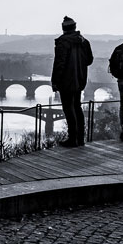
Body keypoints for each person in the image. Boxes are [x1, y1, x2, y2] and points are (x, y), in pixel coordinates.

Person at [51, 16, 94, 147]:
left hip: (66, 80)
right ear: (74, 27)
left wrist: (55, 81)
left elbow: (60, 63)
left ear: (63, 28)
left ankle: (72, 139)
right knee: (77, 107)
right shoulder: (84, 42)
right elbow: (89, 60)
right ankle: (80, 139)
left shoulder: (63, 42)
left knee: (68, 108)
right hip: (80, 79)